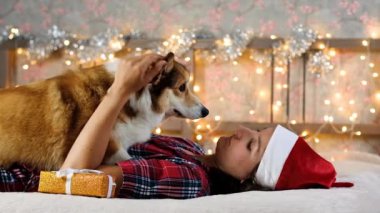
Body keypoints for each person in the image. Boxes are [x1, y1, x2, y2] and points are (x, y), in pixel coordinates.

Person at [0, 54, 352, 198]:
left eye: (252, 146)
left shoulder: (190, 179)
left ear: (247, 179)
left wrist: (119, 91)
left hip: (14, 176)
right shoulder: (193, 151)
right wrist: (151, 103)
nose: (243, 132)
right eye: (256, 131)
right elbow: (122, 137)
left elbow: (74, 179)